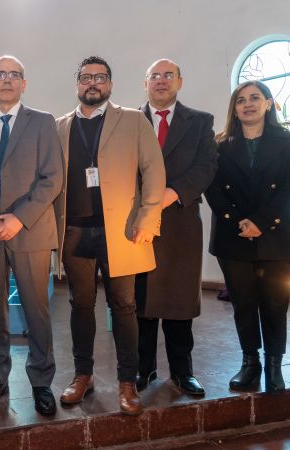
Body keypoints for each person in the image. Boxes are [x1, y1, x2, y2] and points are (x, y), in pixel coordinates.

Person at [55, 56, 165, 415]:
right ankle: (82, 376)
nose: (93, 83)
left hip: (122, 231)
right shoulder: (60, 126)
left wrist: (148, 217)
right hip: (75, 230)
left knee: (124, 306)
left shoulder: (133, 120)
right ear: (77, 84)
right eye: (86, 77)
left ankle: (127, 382)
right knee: (80, 305)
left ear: (110, 84)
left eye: (100, 77)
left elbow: (154, 170)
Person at [0, 55, 63, 416]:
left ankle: (41, 380)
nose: (7, 79)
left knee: (36, 309)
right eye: (0, 74)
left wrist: (18, 219)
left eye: (14, 74)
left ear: (24, 83)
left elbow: (52, 178)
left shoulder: (43, 122)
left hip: (30, 230)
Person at [135, 59, 218, 396]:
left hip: (181, 221)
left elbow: (207, 166)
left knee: (179, 301)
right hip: (139, 222)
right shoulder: (128, 122)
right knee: (140, 301)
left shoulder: (200, 121)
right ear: (145, 84)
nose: (161, 80)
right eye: (154, 75)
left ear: (179, 82)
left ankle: (183, 372)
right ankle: (143, 368)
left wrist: (173, 193)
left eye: (168, 75)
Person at [205, 80, 290, 392]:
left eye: (255, 98)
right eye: (241, 100)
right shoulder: (219, 145)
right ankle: (250, 362)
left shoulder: (287, 141)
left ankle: (274, 364)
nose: (248, 104)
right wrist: (239, 221)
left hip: (277, 236)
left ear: (268, 104)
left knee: (276, 304)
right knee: (243, 303)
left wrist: (262, 222)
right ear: (235, 109)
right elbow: (212, 188)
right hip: (233, 235)